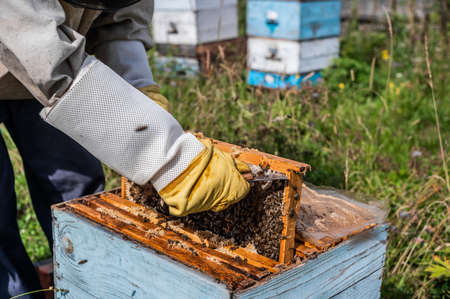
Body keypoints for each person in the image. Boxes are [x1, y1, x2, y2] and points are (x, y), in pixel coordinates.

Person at [0, 0, 250, 297]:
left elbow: (120, 16)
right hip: (35, 43)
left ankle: (87, 281)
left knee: (77, 182)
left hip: (56, 60)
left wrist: (138, 85)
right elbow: (30, 37)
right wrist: (166, 157)